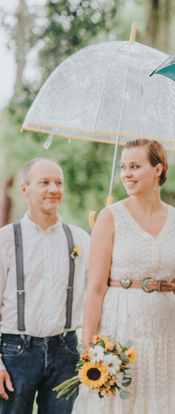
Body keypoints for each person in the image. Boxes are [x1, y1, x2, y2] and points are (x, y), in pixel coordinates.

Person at [73, 139, 175, 413]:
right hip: (119, 330)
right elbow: (95, 289)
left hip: (164, 335)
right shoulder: (109, 217)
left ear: (158, 170)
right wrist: (90, 346)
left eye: (135, 166)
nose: (126, 173)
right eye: (123, 167)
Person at [0, 158, 90, 414]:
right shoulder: (6, 239)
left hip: (67, 351)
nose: (54, 189)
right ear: (24, 189)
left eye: (59, 183)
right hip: (16, 352)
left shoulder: (81, 239)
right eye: (45, 182)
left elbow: (99, 291)